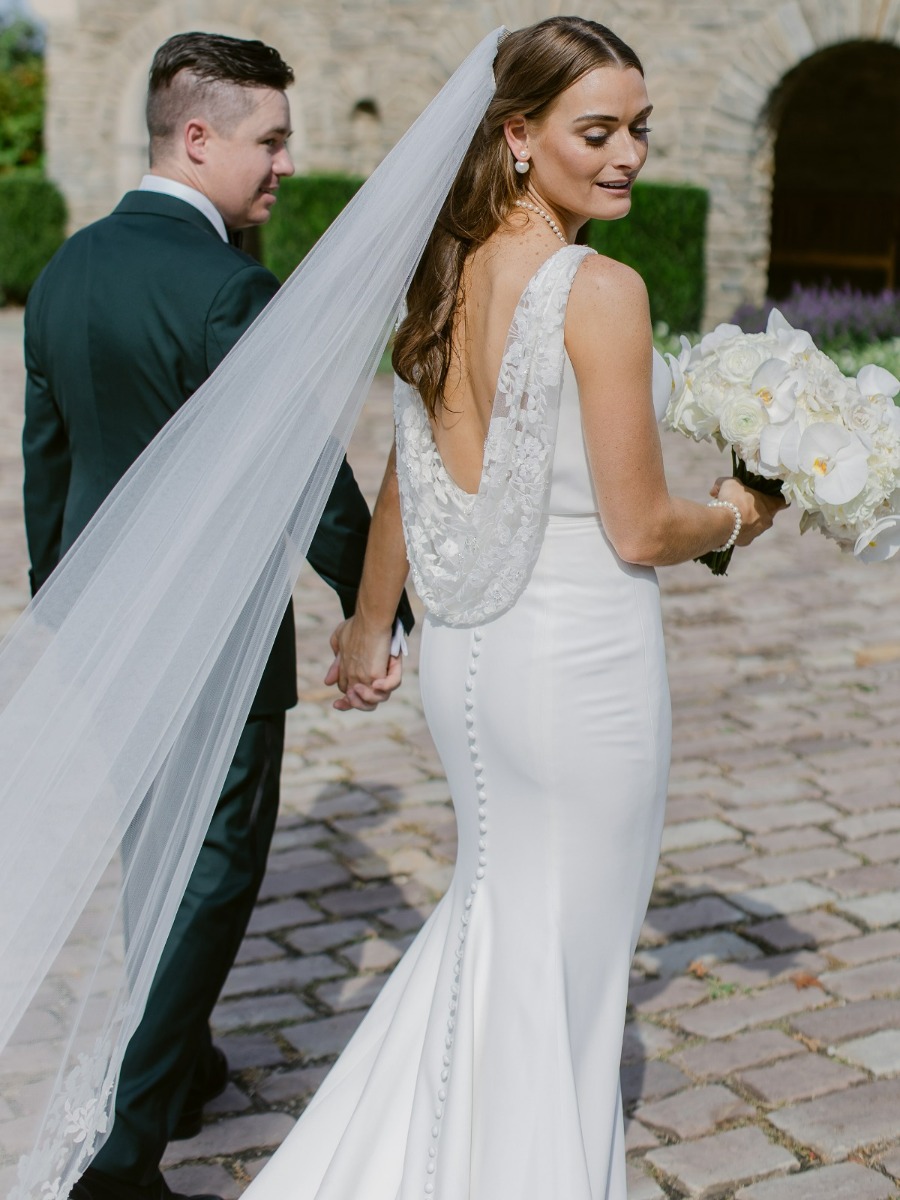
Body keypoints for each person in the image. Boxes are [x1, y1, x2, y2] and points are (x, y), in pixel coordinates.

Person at [243, 16, 783, 1199]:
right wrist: (741, 514)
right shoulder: (602, 290)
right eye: (598, 131)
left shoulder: (447, 270)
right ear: (519, 135)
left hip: (473, 664)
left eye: (641, 127)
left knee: (499, 916)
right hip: (580, 668)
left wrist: (371, 623)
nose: (629, 153)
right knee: (566, 954)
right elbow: (643, 526)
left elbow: (407, 469)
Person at [22, 32, 408, 1200]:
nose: (286, 165)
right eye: (272, 140)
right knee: (219, 863)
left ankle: (178, 1067)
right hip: (214, 643)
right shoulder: (230, 287)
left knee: (159, 850)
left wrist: (68, 608)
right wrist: (375, 604)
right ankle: (124, 1160)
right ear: (199, 138)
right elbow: (299, 471)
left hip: (101, 626)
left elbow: (49, 463)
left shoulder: (67, 267)